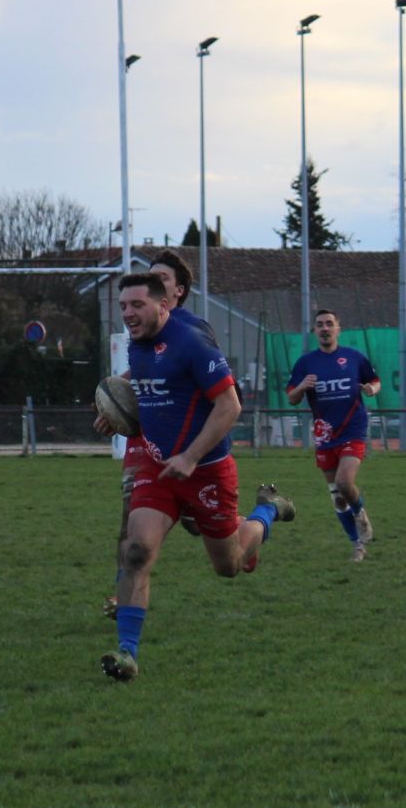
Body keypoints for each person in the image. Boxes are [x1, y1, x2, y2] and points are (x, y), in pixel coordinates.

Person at [94, 274, 296, 682]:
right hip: (157, 467)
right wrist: (114, 409)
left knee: (230, 566)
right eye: (123, 306)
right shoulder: (138, 345)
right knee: (136, 552)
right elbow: (143, 385)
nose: (129, 313)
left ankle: (266, 511)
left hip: (206, 472)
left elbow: (230, 405)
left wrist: (190, 455)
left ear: (163, 306)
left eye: (137, 305)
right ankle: (128, 655)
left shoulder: (191, 343)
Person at [101, 251, 203, 620]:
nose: (154, 282)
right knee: (130, 514)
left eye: (162, 278)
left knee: (203, 528)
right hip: (144, 440)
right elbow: (141, 374)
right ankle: (121, 593)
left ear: (178, 290)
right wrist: (113, 401)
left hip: (186, 444)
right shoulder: (141, 332)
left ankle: (251, 525)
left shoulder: (195, 331)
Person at [287, 310, 381, 561]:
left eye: (330, 324)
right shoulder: (305, 363)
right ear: (315, 331)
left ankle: (361, 515)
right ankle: (357, 545)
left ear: (338, 328)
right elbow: (292, 398)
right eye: (320, 325)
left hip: (353, 430)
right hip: (325, 434)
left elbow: (374, 380)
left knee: (343, 481)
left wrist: (371, 388)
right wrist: (301, 387)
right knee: (338, 498)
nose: (325, 328)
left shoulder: (353, 358)